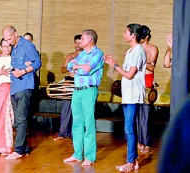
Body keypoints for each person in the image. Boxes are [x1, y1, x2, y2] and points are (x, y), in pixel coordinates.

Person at [104, 23, 146, 172]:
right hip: (128, 95)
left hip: (134, 95)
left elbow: (129, 74)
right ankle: (133, 161)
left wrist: (115, 65)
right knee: (128, 128)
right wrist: (113, 64)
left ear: (133, 35)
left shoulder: (138, 51)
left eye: (125, 32)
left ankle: (130, 161)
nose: (123, 35)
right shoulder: (130, 51)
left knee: (129, 128)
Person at [63, 29, 104, 166]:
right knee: (77, 123)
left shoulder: (97, 53)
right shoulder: (81, 55)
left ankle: (89, 156)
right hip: (77, 91)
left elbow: (87, 70)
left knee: (88, 123)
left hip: (89, 90)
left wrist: (77, 67)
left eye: (82, 39)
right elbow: (69, 65)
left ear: (90, 40)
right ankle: (77, 154)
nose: (80, 41)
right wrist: (77, 66)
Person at [2, 26, 42, 160]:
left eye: (9, 39)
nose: (8, 42)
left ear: (16, 34)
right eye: (6, 40)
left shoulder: (28, 45)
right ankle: (23, 148)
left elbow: (37, 63)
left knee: (21, 118)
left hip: (24, 86)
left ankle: (18, 150)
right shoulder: (14, 47)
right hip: (14, 86)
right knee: (18, 119)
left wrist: (23, 71)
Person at [54, 34, 82, 141]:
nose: (77, 44)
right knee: (66, 107)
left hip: (80, 82)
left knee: (78, 108)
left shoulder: (86, 56)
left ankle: (76, 133)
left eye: (79, 42)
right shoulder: (70, 56)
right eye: (76, 42)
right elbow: (62, 69)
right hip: (69, 82)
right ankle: (63, 132)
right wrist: (69, 66)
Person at [137, 25, 159, 153]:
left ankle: (147, 142)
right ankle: (140, 141)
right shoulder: (136, 48)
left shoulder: (153, 49)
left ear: (146, 36)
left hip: (147, 80)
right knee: (137, 114)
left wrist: (139, 62)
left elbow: (152, 67)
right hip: (137, 79)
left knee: (146, 114)